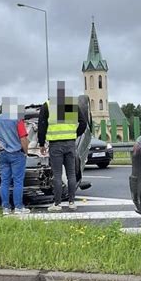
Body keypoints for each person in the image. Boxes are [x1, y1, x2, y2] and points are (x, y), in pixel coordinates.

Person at [38, 82, 86, 212]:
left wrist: (41, 143)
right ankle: (71, 202)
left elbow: (41, 126)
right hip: (70, 144)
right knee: (71, 174)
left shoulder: (47, 105)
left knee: (57, 175)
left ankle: (57, 204)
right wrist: (74, 135)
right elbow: (83, 123)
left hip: (55, 145)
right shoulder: (71, 105)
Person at [0, 98, 30, 216]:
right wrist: (26, 152)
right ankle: (18, 207)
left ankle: (6, 208)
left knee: (4, 181)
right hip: (16, 153)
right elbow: (23, 138)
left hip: (3, 154)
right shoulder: (17, 119)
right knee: (18, 181)